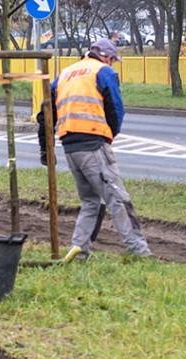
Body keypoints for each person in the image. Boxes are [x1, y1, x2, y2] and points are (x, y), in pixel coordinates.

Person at [38, 38, 152, 260]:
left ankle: (79, 252)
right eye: (113, 61)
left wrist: (45, 148)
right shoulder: (103, 71)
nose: (112, 65)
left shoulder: (65, 74)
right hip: (93, 145)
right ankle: (140, 252)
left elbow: (45, 114)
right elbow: (116, 109)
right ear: (107, 57)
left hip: (70, 147)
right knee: (117, 198)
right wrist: (108, 135)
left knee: (91, 201)